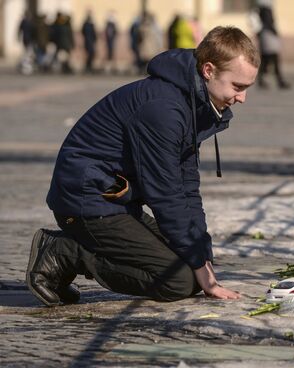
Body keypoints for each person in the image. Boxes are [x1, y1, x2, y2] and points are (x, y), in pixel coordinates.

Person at [25, 26, 260, 307]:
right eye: (238, 87)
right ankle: (66, 252)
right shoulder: (164, 109)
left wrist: (202, 255)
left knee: (192, 262)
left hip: (115, 201)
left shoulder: (193, 104)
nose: (242, 98)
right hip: (86, 202)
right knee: (178, 281)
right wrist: (200, 267)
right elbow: (165, 193)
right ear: (208, 70)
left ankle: (74, 251)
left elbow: (187, 186)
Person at [251, 0, 290, 89]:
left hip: (265, 36)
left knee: (266, 60)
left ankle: (263, 80)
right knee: (273, 59)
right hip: (268, 36)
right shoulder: (265, 10)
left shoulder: (258, 10)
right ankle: (279, 81)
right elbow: (269, 22)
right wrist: (275, 33)